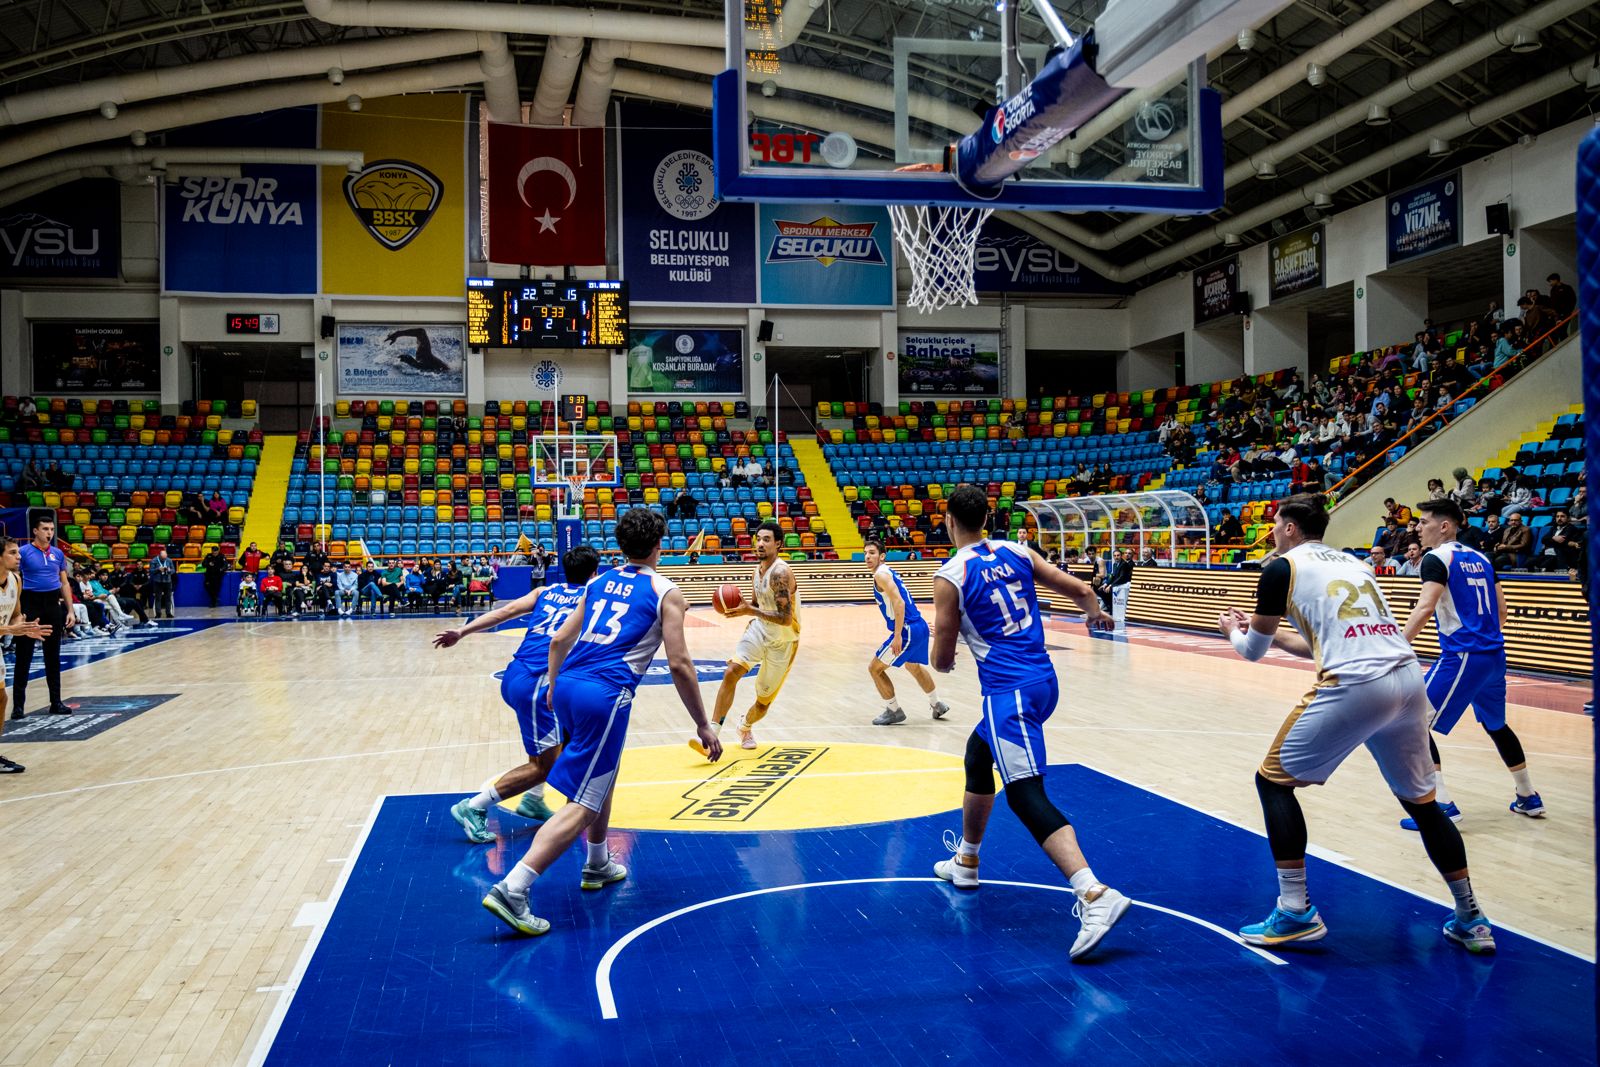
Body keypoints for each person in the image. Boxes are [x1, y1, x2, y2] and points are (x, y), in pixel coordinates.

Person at [1217, 494, 1494, 954]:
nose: (1271, 531)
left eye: (1275, 524)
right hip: (1407, 680)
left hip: (1357, 684)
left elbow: (1252, 651)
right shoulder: (1352, 564)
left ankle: (1294, 912)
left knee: (1272, 783)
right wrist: (1269, 631)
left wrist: (1232, 630)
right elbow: (1317, 643)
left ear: (1289, 528)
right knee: (1424, 805)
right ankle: (1471, 916)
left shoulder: (1280, 568)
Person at [479, 510, 722, 936]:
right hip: (604, 694)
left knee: (602, 775)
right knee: (583, 802)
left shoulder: (597, 582)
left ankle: (597, 863)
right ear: (659, 545)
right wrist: (703, 724)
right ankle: (513, 889)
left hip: (568, 683)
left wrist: (555, 687)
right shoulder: (666, 591)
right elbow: (681, 664)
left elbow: (559, 640)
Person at [928, 483, 1128, 961]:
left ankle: (1095, 894)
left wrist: (941, 654)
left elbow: (941, 658)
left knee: (1024, 792)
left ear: (949, 520)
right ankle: (968, 861)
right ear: (987, 517)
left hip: (1009, 694)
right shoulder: (1018, 550)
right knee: (979, 757)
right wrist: (1095, 613)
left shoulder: (951, 574)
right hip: (1043, 682)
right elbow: (1080, 590)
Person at [1394, 498, 1543, 834]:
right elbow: (1502, 612)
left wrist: (1396, 648)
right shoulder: (1482, 557)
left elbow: (1424, 608)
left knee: (1411, 721)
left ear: (1444, 526)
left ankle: (1442, 804)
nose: (1418, 527)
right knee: (1496, 724)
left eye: (1424, 521)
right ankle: (1527, 795)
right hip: (1494, 656)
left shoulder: (1436, 558)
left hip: (1463, 656)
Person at [438, 545, 601, 840]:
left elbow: (507, 611)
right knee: (543, 766)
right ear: (594, 573)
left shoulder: (544, 592)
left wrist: (463, 632)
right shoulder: (593, 597)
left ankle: (533, 800)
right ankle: (473, 807)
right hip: (538, 684)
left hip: (515, 673)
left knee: (566, 735)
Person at [691, 521, 801, 756]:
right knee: (731, 672)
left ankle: (745, 726)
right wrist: (738, 608)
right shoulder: (757, 570)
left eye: (767, 540)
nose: (760, 543)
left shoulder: (780, 573)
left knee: (762, 704)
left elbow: (784, 618)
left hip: (783, 640)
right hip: (760, 630)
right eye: (758, 539)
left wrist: (750, 611)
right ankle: (712, 733)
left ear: (778, 544)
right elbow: (756, 605)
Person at [863, 539, 950, 726]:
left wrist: (897, 636)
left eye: (872, 553)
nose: (867, 557)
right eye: (866, 553)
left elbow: (900, 603)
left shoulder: (881, 575)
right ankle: (937, 704)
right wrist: (919, 625)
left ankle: (893, 710)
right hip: (917, 625)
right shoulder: (888, 572)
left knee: (874, 669)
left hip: (907, 630)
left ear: (882, 556)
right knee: (913, 667)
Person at [11, 515, 76, 720]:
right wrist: (18, 612)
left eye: (51, 529)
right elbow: (14, 580)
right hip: (30, 604)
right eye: (45, 529)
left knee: (52, 655)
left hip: (52, 605)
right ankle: (18, 706)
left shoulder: (57, 553)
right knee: (24, 655)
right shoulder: (22, 553)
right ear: (35, 531)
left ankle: (55, 702)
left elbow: (64, 583)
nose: (49, 533)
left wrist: (71, 610)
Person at [0, 539, 55, 771]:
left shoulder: (15, 580)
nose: (19, 556)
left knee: (1, 698)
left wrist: (24, 626)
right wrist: (11, 630)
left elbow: (16, 614)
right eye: (13, 553)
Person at [1108, 547, 1133, 632]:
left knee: (1109, 591)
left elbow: (1122, 577)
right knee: (1101, 590)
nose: (1116, 557)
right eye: (1115, 556)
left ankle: (1112, 612)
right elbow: (1112, 576)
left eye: (1118, 555)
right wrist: (1106, 584)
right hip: (1116, 584)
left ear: (1121, 556)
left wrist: (1111, 585)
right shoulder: (1115, 564)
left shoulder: (1124, 564)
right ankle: (1110, 610)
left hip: (1123, 584)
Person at [148, 547, 176, 619]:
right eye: (163, 558)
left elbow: (174, 570)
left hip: (167, 581)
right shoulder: (154, 561)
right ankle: (158, 613)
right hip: (158, 582)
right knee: (158, 598)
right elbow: (151, 571)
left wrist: (170, 570)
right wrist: (158, 569)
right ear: (159, 556)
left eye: (165, 558)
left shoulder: (169, 560)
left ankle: (168, 613)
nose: (164, 559)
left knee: (168, 598)